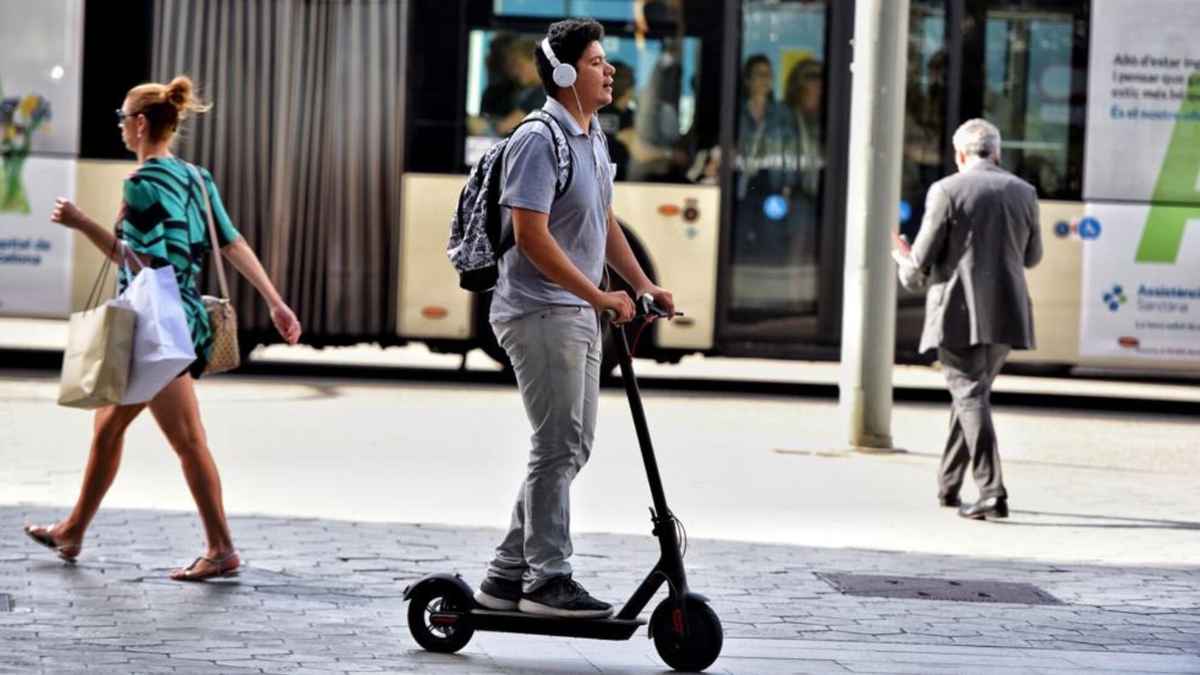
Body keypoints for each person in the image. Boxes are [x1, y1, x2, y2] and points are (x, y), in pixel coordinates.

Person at [24, 76, 302, 580]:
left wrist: (80, 222)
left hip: (157, 330)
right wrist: (275, 302)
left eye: (123, 119)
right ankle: (73, 531)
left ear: (141, 123)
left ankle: (220, 548)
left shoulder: (142, 184)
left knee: (187, 440)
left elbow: (137, 261)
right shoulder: (197, 177)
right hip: (184, 319)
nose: (121, 128)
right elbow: (232, 244)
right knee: (109, 427)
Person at [473, 18, 674, 619]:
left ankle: (507, 574)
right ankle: (546, 580)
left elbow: (604, 222)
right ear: (563, 74)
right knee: (557, 443)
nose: (609, 70)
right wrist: (597, 294)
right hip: (539, 312)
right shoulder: (540, 138)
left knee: (570, 446)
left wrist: (641, 285)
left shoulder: (591, 137)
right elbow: (532, 237)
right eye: (595, 62)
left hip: (576, 314)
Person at [892, 119, 1042, 521]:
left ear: (960, 155)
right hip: (1008, 313)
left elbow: (919, 265)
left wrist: (903, 260)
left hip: (956, 312)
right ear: (997, 153)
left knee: (969, 394)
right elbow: (1031, 257)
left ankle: (992, 492)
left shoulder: (946, 190)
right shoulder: (1024, 192)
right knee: (972, 394)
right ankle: (948, 485)